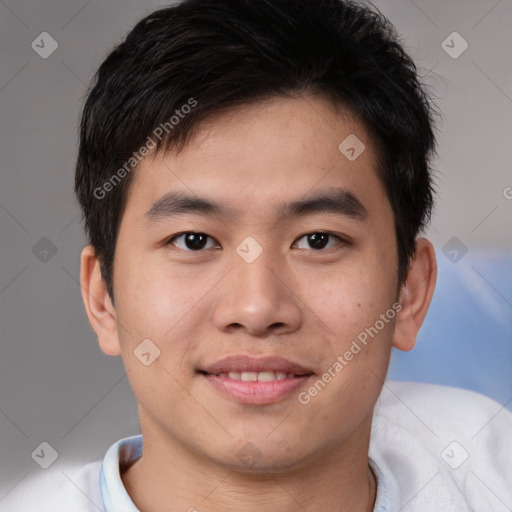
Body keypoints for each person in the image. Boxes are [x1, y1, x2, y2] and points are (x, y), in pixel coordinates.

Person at [5, 0, 511, 510]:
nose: (256, 308)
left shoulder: (489, 466)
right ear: (103, 299)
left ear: (410, 291)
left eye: (318, 240)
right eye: (194, 240)